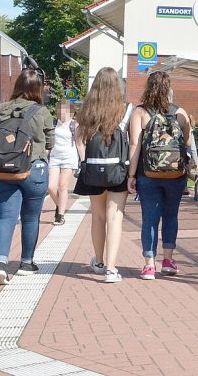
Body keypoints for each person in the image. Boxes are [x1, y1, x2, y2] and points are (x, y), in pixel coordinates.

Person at [126, 71, 196, 280]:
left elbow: (134, 145)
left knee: (149, 218)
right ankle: (167, 261)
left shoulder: (140, 113)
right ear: (169, 89)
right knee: (171, 215)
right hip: (175, 175)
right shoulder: (180, 112)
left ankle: (149, 265)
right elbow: (188, 144)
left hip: (147, 174)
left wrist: (131, 175)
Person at [0, 68, 54, 285]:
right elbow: (50, 141)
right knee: (30, 217)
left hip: (3, 171)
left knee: (6, 218)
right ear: (38, 89)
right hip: (33, 169)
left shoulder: (0, 110)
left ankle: (1, 264)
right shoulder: (41, 111)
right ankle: (26, 262)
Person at [74, 67, 131, 283]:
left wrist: (83, 162)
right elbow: (132, 141)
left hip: (93, 169)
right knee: (115, 216)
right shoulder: (125, 110)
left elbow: (79, 139)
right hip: (119, 170)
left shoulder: (87, 110)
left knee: (98, 216)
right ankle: (111, 269)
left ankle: (98, 262)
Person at [47, 99, 78, 225]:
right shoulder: (54, 123)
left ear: (71, 112)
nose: (62, 113)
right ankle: (60, 206)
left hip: (69, 158)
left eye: (65, 110)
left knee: (63, 186)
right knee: (51, 187)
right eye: (60, 110)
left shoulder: (74, 125)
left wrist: (83, 161)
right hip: (54, 157)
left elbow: (80, 143)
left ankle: (60, 215)